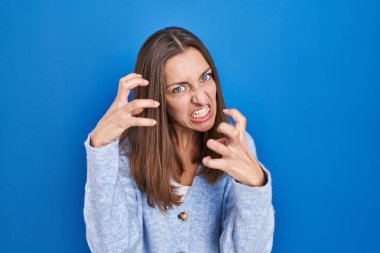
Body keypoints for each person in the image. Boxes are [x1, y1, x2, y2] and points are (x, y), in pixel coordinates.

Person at [83, 26, 275, 253]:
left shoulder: (235, 146)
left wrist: (254, 185)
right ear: (157, 98)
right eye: (179, 89)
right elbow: (110, 248)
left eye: (205, 77)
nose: (201, 98)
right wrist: (100, 150)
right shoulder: (126, 153)